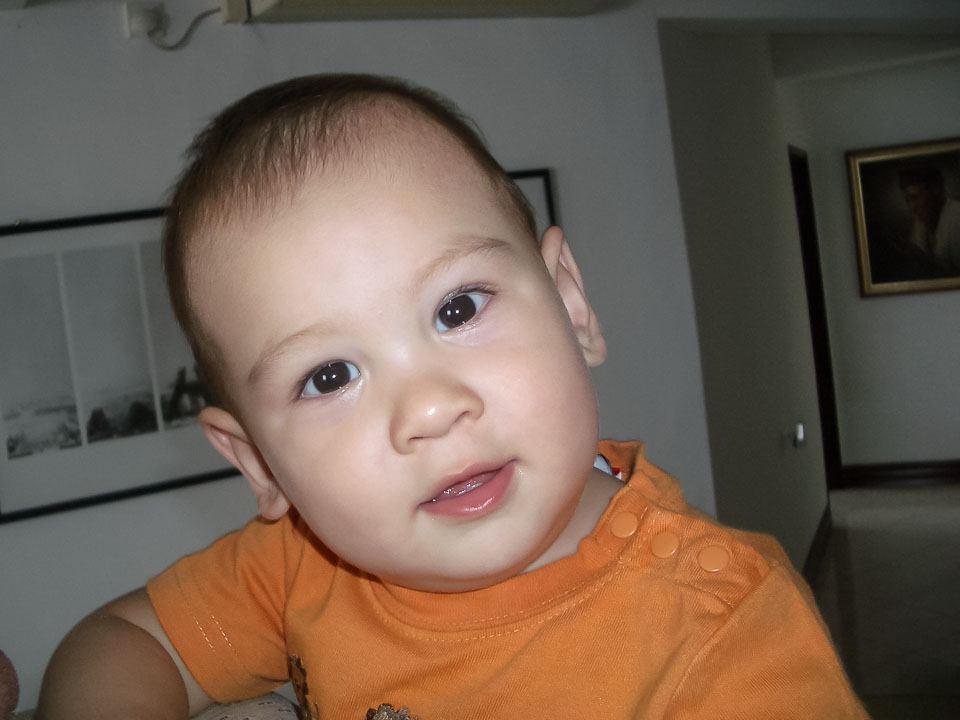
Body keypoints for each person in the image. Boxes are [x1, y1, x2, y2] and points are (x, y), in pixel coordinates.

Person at [36, 74, 868, 719]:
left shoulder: (722, 629)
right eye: (329, 376)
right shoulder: (302, 564)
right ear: (259, 464)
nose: (430, 410)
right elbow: (121, 642)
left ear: (572, 305)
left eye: (458, 309)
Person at [899, 162, 960, 275]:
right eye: (907, 200)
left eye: (915, 197)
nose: (912, 207)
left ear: (935, 190)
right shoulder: (921, 219)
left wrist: (924, 260)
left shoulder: (957, 217)